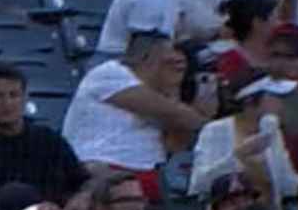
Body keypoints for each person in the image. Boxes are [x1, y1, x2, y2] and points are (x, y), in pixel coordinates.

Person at [65, 32, 210, 199]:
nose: (176, 68)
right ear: (150, 59)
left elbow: (175, 145)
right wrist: (208, 123)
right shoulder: (110, 74)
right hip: (103, 165)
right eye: (170, 62)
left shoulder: (163, 93)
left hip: (150, 173)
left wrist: (173, 88)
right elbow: (178, 115)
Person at [0, 64, 92, 210]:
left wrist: (78, 201)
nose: (7, 104)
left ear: (25, 98)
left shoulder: (50, 140)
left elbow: (83, 182)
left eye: (14, 95)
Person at [192, 72, 298, 209]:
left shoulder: (273, 132)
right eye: (275, 97)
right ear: (250, 101)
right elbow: (199, 184)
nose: (281, 104)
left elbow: (287, 185)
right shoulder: (215, 130)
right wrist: (238, 156)